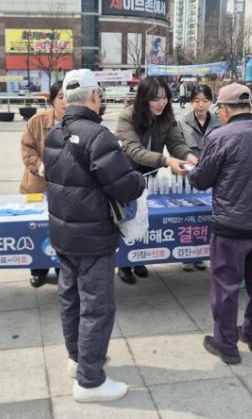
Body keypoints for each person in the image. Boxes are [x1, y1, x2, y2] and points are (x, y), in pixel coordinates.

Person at [43, 69, 146, 402]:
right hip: (93, 238)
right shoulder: (98, 136)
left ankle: (78, 361)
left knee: (71, 300)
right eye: (99, 95)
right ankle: (90, 381)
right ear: (93, 96)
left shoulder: (54, 133)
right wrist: (138, 178)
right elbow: (125, 185)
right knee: (96, 307)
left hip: (63, 234)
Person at [188, 83, 252, 364]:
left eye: (219, 109)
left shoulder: (220, 136)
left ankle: (226, 345)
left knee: (226, 287)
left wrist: (192, 169)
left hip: (232, 226)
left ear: (225, 110)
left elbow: (201, 179)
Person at [116, 77, 198, 284]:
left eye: (165, 98)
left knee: (144, 217)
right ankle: (124, 264)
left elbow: (176, 142)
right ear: (144, 99)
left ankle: (139, 259)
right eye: (155, 99)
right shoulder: (127, 116)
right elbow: (134, 151)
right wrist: (166, 161)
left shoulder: (167, 116)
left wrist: (188, 156)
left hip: (150, 173)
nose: (161, 103)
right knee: (128, 218)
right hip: (127, 174)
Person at [20, 80, 66, 288]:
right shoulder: (37, 121)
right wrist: (40, 166)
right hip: (37, 187)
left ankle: (61, 269)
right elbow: (27, 148)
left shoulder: (77, 124)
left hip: (65, 191)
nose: (66, 102)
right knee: (37, 230)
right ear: (52, 100)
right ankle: (38, 270)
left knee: (61, 231)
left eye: (69, 97)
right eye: (61, 97)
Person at [178, 83, 222, 272]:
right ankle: (186, 255)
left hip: (212, 176)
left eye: (205, 101)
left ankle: (200, 255)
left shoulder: (219, 122)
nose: (201, 105)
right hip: (188, 176)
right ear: (191, 102)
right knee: (187, 217)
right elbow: (177, 146)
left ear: (211, 102)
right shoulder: (182, 122)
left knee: (207, 216)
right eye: (196, 101)